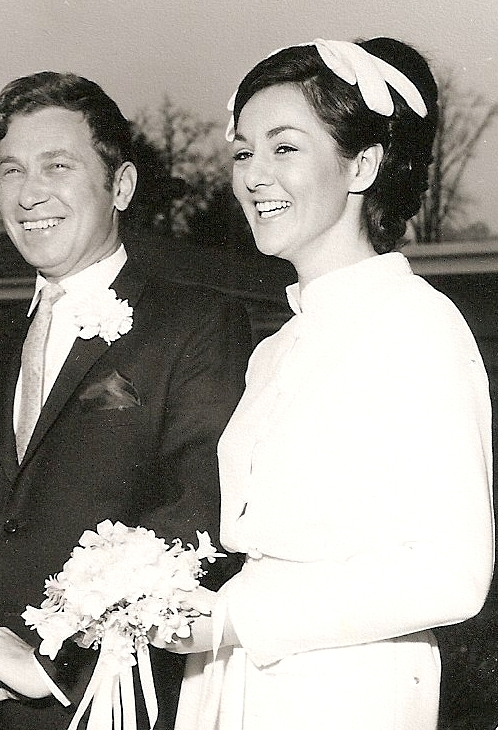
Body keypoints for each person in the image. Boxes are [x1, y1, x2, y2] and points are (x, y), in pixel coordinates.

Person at [0, 72, 251, 730]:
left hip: (105, 705)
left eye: (57, 166)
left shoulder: (193, 326)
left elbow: (199, 516)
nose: (28, 194)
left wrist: (58, 658)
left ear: (121, 186)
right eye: (11, 170)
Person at [149, 38, 495, 730]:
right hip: (234, 676)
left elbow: (451, 573)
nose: (252, 176)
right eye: (243, 152)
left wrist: (234, 617)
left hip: (345, 685)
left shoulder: (415, 324)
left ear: (362, 163)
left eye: (283, 148)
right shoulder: (274, 349)